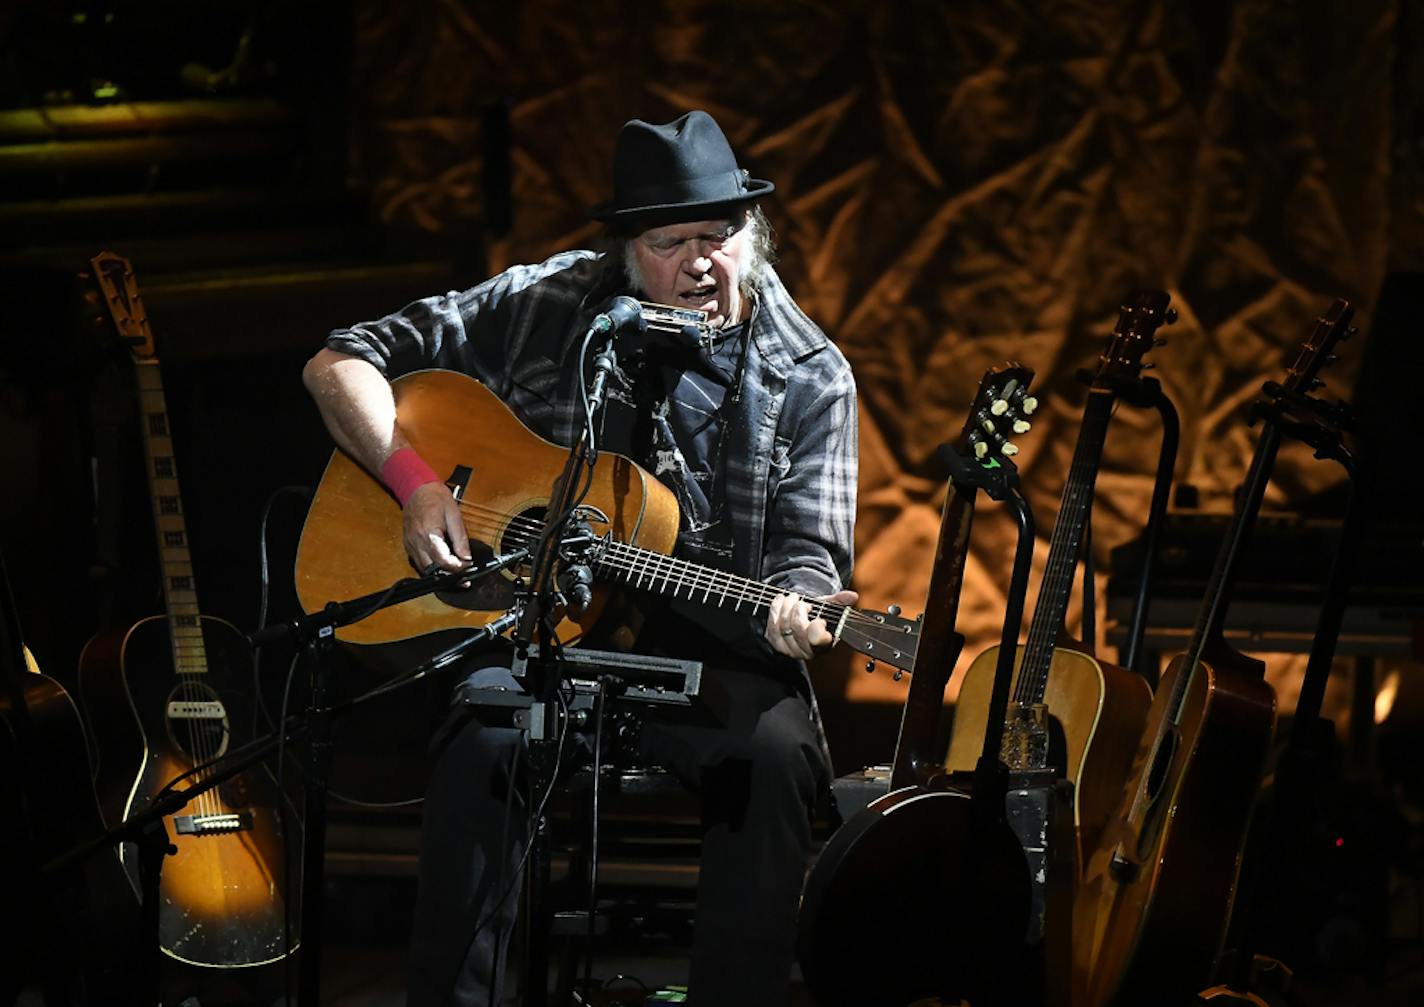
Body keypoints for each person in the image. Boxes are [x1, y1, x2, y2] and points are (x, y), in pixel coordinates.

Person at [302, 109, 859, 1006]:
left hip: (710, 640)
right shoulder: (548, 303)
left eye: (719, 236)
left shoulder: (809, 372)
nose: (701, 262)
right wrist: (414, 482)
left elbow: (809, 557)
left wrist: (801, 607)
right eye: (671, 241)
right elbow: (341, 361)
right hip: (542, 630)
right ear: (626, 249)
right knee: (482, 736)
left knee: (775, 753)